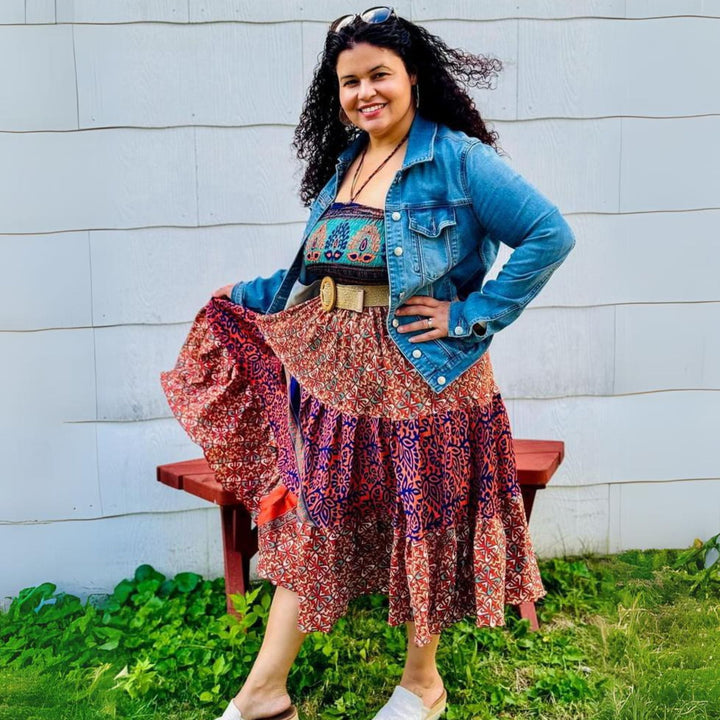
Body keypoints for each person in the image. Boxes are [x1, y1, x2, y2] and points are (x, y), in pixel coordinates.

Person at [161, 7, 576, 720]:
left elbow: (549, 234)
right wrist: (247, 297)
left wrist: (470, 313)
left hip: (427, 378)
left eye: (378, 74)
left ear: (413, 76)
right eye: (349, 81)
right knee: (315, 516)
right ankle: (264, 693)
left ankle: (423, 684)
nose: (364, 92)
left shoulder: (458, 159)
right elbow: (316, 270)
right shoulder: (349, 161)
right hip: (341, 383)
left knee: (425, 518)